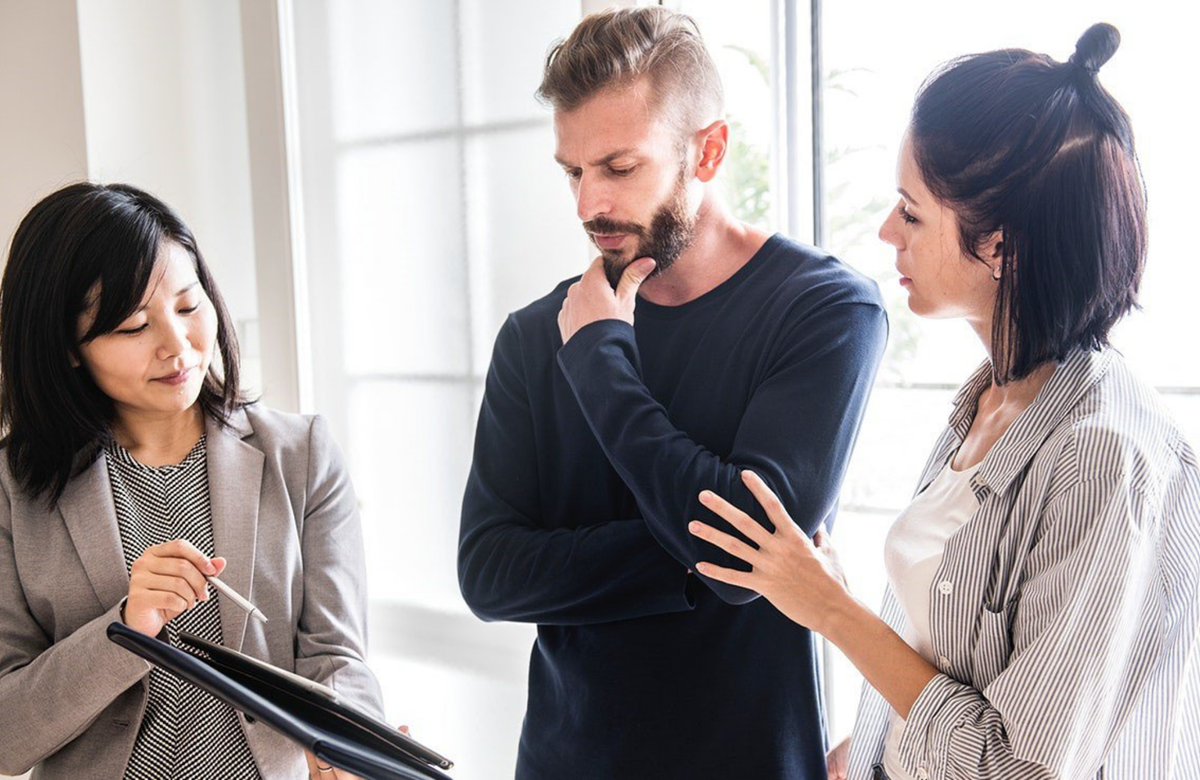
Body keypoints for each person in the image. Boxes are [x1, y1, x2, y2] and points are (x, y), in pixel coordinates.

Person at [688, 23, 1200, 780]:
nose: (887, 230)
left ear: (1002, 245)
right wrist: (870, 747)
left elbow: (1017, 768)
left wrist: (831, 609)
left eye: (912, 211)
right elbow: (954, 661)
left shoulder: (1103, 457)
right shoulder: (987, 402)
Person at [458, 7, 888, 780]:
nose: (589, 203)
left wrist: (600, 363)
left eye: (620, 168)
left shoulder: (826, 311)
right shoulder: (533, 334)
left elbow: (743, 550)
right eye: (573, 171)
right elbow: (489, 572)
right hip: (564, 764)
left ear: (709, 150)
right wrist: (696, 560)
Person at [0, 182, 385, 780]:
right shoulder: (12, 489)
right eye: (132, 326)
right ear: (68, 347)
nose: (177, 348)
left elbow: (337, 659)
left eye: (187, 306)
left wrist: (350, 746)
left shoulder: (301, 454)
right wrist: (126, 628)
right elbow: (7, 734)